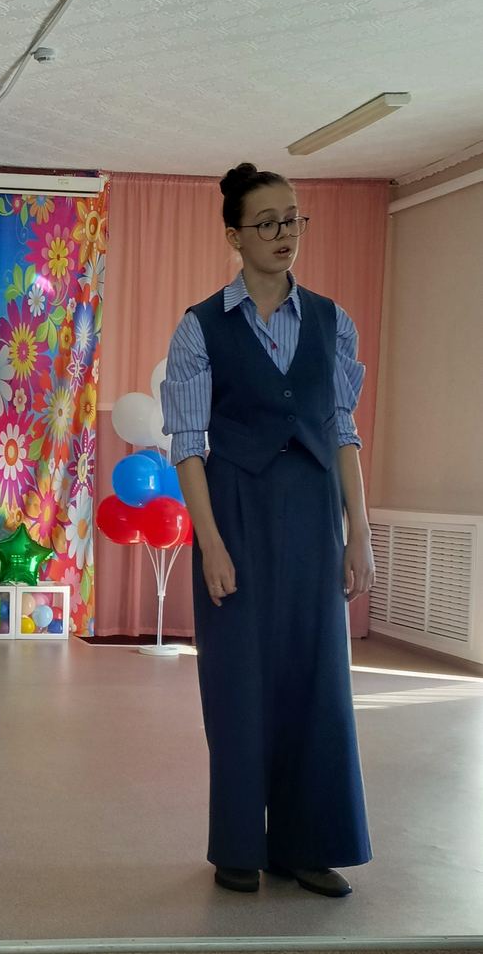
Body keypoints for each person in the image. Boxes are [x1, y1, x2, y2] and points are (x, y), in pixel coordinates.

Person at [160, 163, 374, 898]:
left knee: (317, 680)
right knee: (238, 681)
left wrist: (359, 533)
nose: (285, 233)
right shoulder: (199, 328)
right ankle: (239, 845)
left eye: (293, 218)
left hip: (313, 515)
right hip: (237, 516)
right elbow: (188, 444)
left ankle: (306, 846)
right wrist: (210, 543)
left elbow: (341, 431)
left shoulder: (332, 321)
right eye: (268, 222)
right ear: (234, 236)